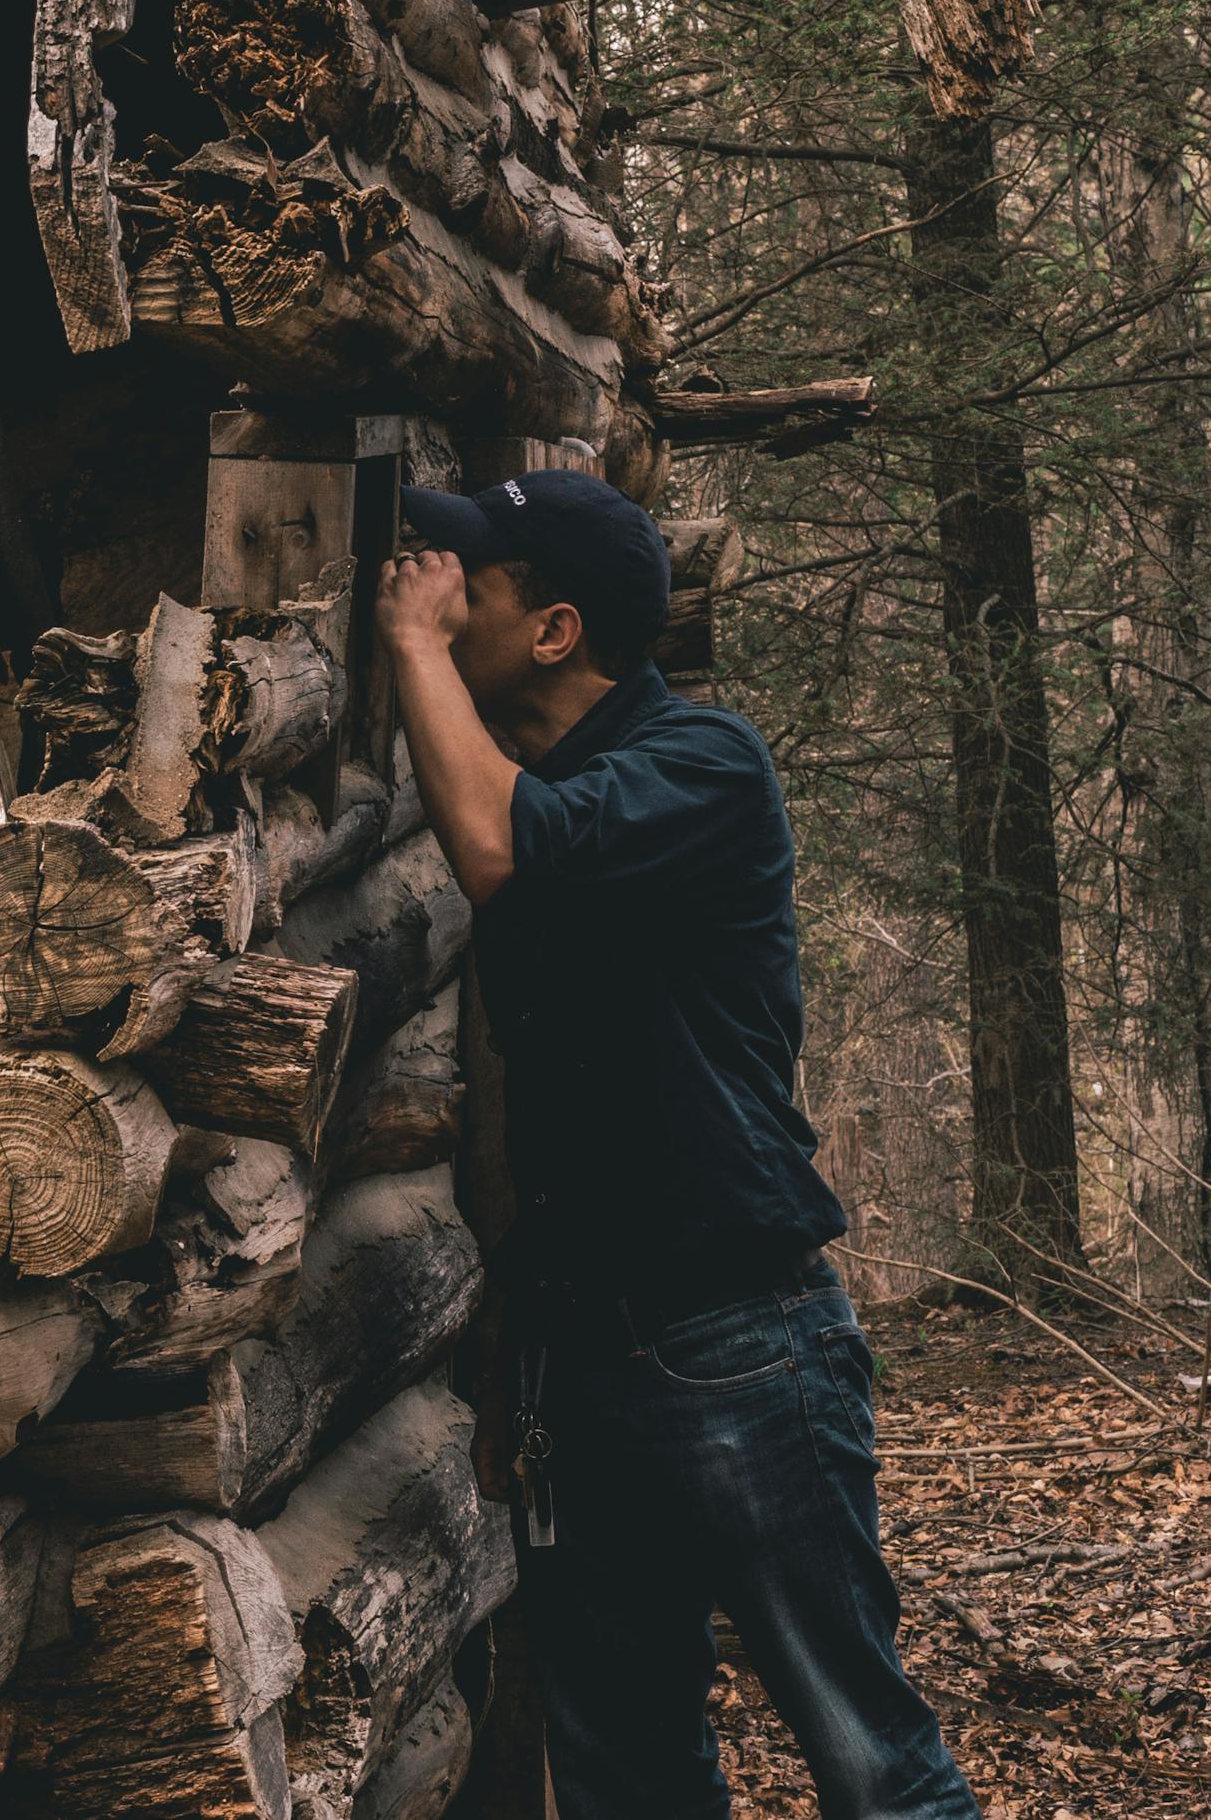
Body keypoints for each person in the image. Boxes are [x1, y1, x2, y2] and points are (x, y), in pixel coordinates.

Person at [373, 469, 978, 1820]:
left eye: (475, 573)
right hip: (581, 1368)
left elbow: (493, 844)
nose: (436, 582)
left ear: (553, 630)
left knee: (873, 1765)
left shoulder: (704, 766)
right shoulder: (548, 768)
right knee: (627, 1777)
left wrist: (413, 646)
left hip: (740, 1340)